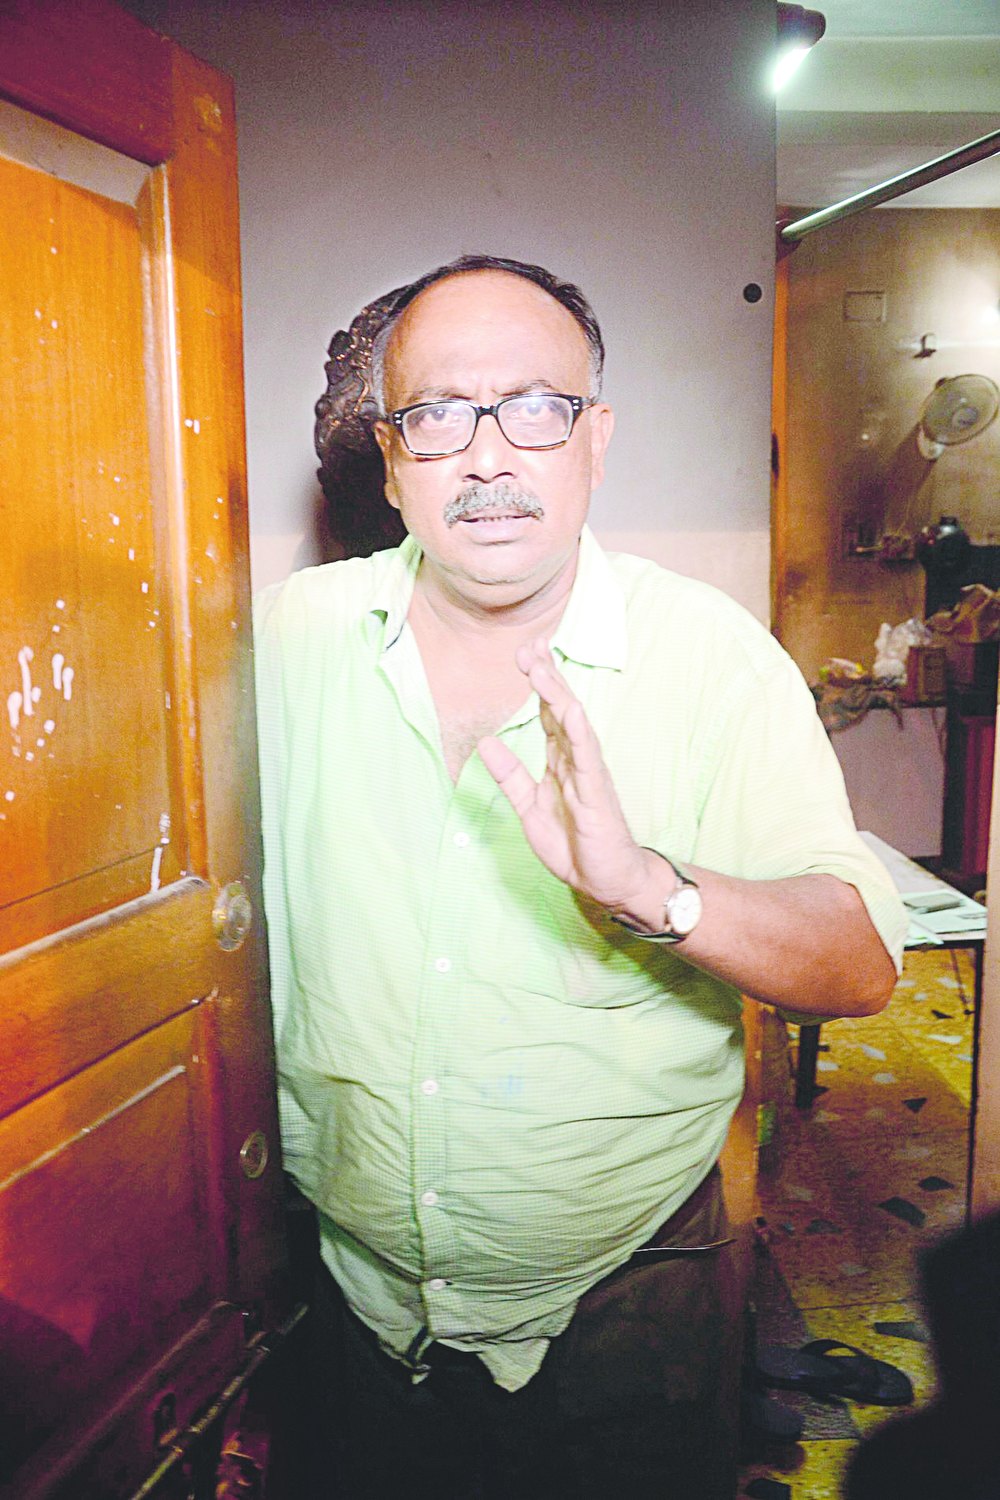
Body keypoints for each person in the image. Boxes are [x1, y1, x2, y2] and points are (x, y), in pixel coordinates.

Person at [254, 254, 906, 1498]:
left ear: (595, 439)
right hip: (346, 1293)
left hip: (627, 1294)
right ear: (389, 460)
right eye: (439, 415)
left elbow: (859, 966)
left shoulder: (711, 657)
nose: (487, 458)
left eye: (535, 410)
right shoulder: (286, 642)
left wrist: (650, 886)